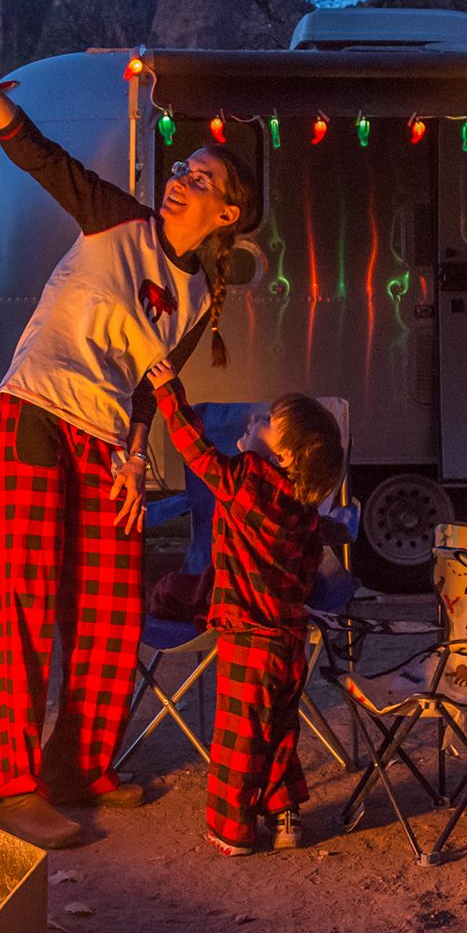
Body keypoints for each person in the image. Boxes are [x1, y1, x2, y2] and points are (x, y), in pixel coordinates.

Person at [0, 0, 261, 849]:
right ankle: (6, 783)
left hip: (104, 444)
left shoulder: (198, 297)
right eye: (182, 169)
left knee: (109, 613)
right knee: (25, 603)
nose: (182, 179)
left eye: (202, 180)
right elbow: (32, 150)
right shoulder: (120, 222)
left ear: (230, 214)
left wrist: (135, 458)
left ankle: (79, 766)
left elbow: (146, 387)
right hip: (34, 413)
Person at [144, 356, 344, 855]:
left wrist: (171, 391)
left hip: (248, 638)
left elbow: (197, 452)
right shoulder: (303, 510)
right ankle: (285, 819)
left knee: (239, 739)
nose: (254, 422)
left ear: (286, 455)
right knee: (277, 732)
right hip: (289, 640)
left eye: (268, 424)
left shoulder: (248, 481)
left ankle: (231, 831)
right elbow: (306, 571)